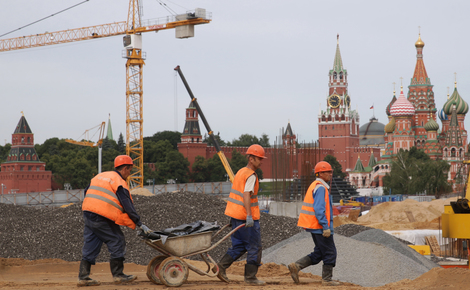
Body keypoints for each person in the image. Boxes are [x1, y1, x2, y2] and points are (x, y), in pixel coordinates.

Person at [77, 155, 152, 287]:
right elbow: (127, 204)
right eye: (130, 170)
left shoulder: (100, 176)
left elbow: (86, 191)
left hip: (88, 212)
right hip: (101, 215)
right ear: (125, 168)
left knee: (91, 242)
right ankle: (118, 275)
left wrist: (94, 207)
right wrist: (139, 223)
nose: (129, 174)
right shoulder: (119, 181)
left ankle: (83, 277)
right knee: (117, 240)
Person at [214, 144, 267, 286]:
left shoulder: (241, 172)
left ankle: (221, 267)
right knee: (255, 247)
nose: (261, 161)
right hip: (246, 218)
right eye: (259, 158)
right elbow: (245, 195)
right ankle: (250, 278)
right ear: (251, 159)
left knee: (240, 246)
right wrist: (249, 216)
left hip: (236, 216)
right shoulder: (251, 175)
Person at [288, 161, 340, 286]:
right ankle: (327, 280)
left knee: (319, 253)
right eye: (327, 172)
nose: (330, 174)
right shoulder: (321, 188)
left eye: (330, 171)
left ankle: (297, 266)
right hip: (320, 227)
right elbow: (319, 209)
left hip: (315, 227)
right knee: (330, 252)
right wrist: (325, 227)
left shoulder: (316, 185)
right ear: (320, 173)